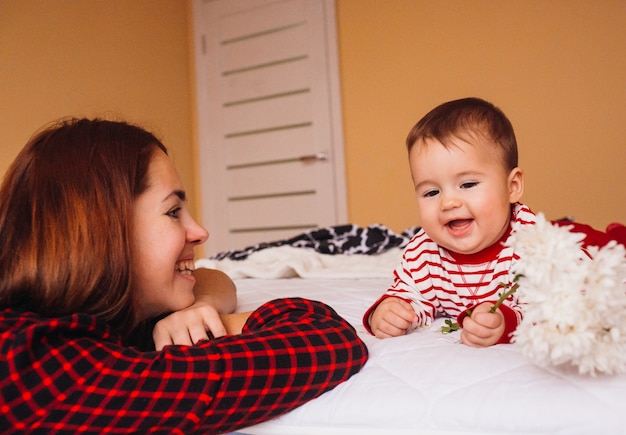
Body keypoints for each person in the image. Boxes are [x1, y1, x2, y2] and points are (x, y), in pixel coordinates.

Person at [0, 118, 368, 433]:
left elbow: (214, 277)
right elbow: (323, 340)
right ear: (101, 232)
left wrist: (198, 307)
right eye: (173, 212)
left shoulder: (94, 315)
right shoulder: (51, 372)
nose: (200, 232)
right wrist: (224, 320)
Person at [363, 97, 535, 347]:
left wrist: (508, 322)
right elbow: (412, 296)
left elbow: (557, 308)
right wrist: (392, 311)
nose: (448, 203)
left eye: (467, 184)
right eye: (432, 192)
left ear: (512, 187)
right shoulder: (425, 250)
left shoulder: (531, 244)